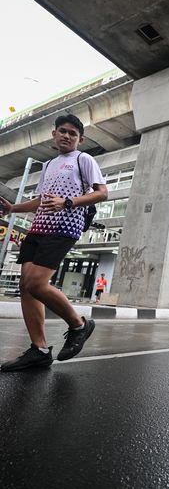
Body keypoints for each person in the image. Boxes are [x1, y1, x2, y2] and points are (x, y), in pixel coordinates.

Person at [0, 114, 108, 371]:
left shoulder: (83, 159)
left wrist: (67, 202)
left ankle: (79, 325)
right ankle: (39, 350)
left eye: (73, 133)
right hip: (38, 228)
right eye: (63, 131)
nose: (67, 136)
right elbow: (41, 201)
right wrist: (13, 208)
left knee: (37, 284)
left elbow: (102, 193)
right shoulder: (48, 165)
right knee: (26, 288)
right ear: (54, 134)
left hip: (65, 227)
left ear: (80, 139)